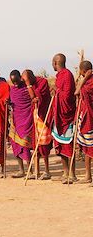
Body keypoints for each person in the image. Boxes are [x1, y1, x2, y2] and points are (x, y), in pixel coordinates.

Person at [50, 53, 77, 184]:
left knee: (68, 145)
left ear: (55, 62)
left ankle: (72, 174)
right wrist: (56, 92)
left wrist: (57, 91)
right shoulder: (59, 76)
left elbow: (67, 96)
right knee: (60, 145)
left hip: (66, 116)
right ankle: (65, 172)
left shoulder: (67, 75)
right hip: (58, 115)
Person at [22, 69, 53, 180]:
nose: (26, 82)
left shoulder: (42, 82)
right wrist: (29, 85)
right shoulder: (30, 84)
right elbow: (32, 98)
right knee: (35, 144)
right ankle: (37, 171)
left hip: (43, 116)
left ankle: (47, 171)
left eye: (27, 79)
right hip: (35, 116)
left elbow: (37, 97)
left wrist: (29, 85)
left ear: (31, 76)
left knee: (43, 143)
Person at [8, 70, 33, 178]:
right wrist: (7, 103)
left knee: (25, 144)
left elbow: (32, 100)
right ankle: (21, 170)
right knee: (15, 144)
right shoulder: (12, 89)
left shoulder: (26, 88)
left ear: (20, 78)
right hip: (15, 120)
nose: (15, 84)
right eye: (13, 82)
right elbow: (11, 102)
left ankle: (30, 171)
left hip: (26, 119)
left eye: (17, 81)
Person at [75, 60, 93, 185]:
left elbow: (77, 91)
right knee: (87, 147)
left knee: (91, 147)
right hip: (85, 118)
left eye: (80, 71)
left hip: (90, 118)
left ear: (83, 71)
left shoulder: (88, 83)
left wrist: (85, 78)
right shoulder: (85, 82)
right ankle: (88, 175)